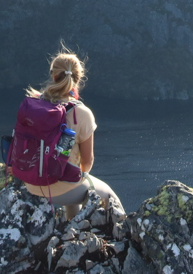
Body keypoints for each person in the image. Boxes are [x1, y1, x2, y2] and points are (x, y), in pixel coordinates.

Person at [18, 49, 118, 220]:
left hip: (30, 183)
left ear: (53, 75)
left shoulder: (33, 103)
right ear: (78, 78)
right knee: (109, 195)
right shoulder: (82, 113)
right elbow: (87, 163)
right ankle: (124, 235)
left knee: (72, 183)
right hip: (58, 188)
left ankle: (70, 226)